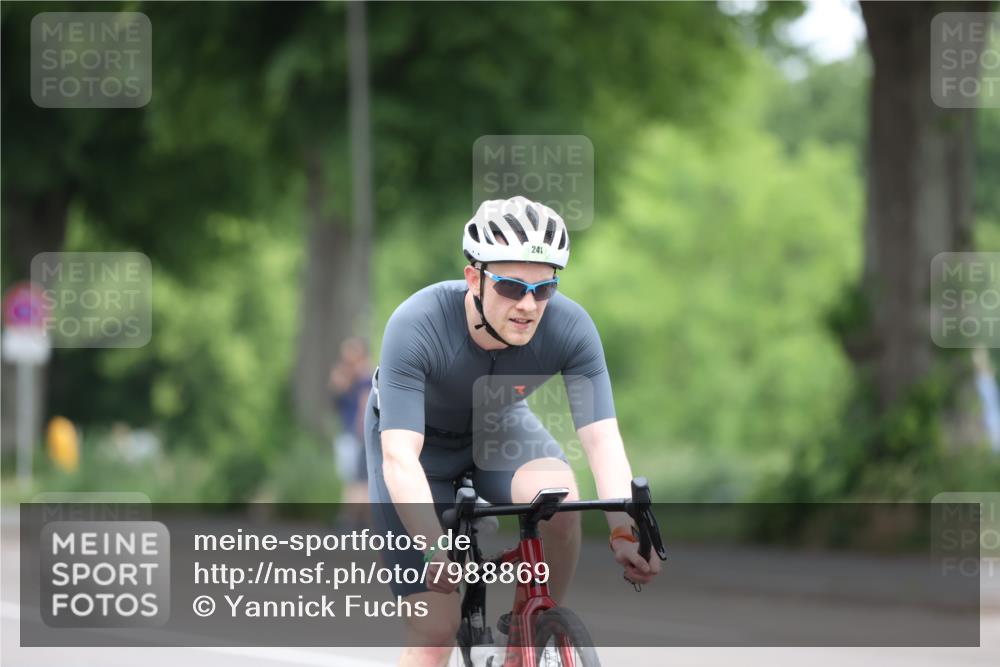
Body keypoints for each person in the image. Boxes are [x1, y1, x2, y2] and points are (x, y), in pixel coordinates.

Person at [365, 195, 660, 666]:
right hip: (418, 452)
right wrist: (432, 546)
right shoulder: (416, 323)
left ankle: (535, 628)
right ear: (474, 278)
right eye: (510, 287)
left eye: (543, 290)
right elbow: (400, 456)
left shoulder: (572, 328)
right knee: (435, 631)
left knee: (561, 505)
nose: (527, 305)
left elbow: (602, 440)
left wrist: (624, 532)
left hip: (497, 429)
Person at [330, 337, 372, 529]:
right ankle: (357, 521)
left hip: (357, 435)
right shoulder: (349, 378)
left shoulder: (365, 379)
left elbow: (364, 407)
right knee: (355, 479)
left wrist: (361, 431)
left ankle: (350, 520)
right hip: (350, 433)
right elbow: (336, 402)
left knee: (357, 480)